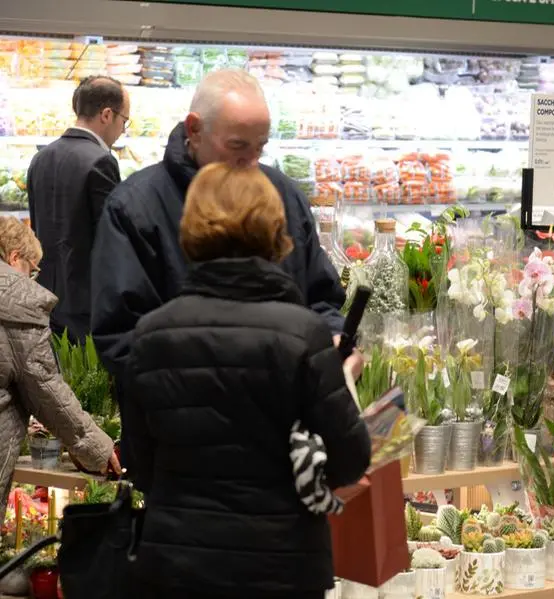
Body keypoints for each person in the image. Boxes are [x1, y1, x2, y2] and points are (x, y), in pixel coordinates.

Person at [124, 164, 370, 599]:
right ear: (274, 228)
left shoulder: (150, 335)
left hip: (176, 566)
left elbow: (141, 465)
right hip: (281, 565)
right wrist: (341, 383)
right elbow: (349, 459)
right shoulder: (302, 333)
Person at [90, 70, 353, 470]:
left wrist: (334, 343)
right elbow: (120, 337)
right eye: (237, 146)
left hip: (285, 461)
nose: (250, 163)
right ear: (194, 130)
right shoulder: (135, 208)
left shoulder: (284, 197)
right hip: (182, 456)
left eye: (259, 148)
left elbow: (322, 297)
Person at [0, 216, 120, 504]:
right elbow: (46, 389)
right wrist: (99, 449)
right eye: (32, 270)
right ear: (15, 257)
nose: (32, 279)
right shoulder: (16, 300)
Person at [27, 76, 129, 343]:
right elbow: (109, 239)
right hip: (86, 302)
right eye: (124, 121)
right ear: (107, 115)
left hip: (45, 295)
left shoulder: (41, 158)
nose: (122, 130)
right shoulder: (101, 161)